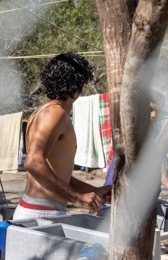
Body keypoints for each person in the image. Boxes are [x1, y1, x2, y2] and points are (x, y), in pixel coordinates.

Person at [12, 53, 110, 221]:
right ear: (76, 88)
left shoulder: (42, 112)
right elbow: (33, 162)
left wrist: (92, 190)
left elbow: (57, 176)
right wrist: (76, 198)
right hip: (42, 213)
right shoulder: (56, 114)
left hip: (37, 210)